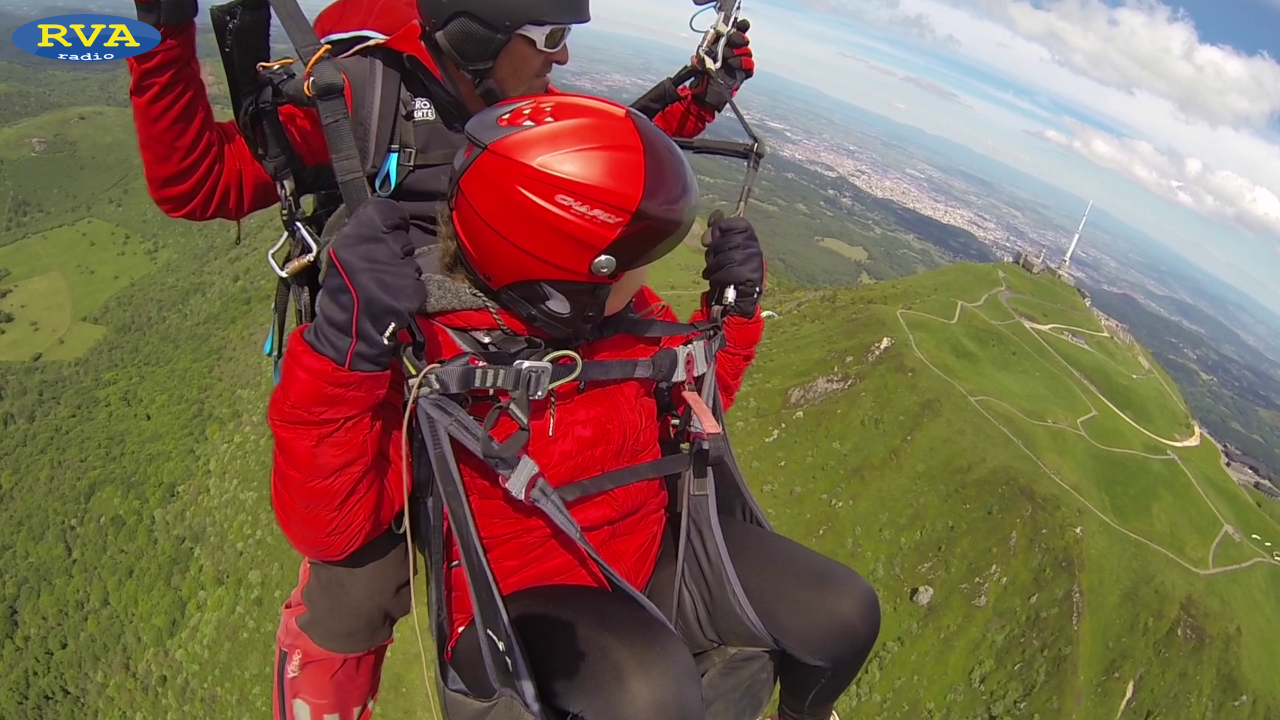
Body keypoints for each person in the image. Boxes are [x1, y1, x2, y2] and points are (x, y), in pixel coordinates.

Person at [266, 93, 881, 720]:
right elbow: (332, 526)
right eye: (635, 263)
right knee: (651, 694)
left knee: (843, 613)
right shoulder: (430, 351)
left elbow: (693, 404)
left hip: (648, 564)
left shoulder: (628, 318)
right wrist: (344, 357)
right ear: (564, 283)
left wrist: (735, 317)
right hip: (519, 612)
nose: (646, 277)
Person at [127, 0, 756, 230]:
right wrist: (166, 30)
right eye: (551, 34)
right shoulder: (363, 98)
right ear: (477, 39)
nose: (563, 55)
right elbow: (200, 182)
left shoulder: (512, 99)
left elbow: (602, 148)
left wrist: (702, 92)